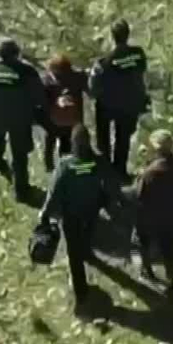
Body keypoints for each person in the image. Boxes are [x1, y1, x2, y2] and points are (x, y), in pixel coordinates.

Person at [39, 125, 125, 314]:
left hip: (71, 215)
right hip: (91, 211)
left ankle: (81, 292)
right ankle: (87, 251)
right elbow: (112, 185)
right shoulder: (98, 163)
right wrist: (116, 202)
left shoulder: (65, 166)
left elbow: (54, 193)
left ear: (73, 143)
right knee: (87, 235)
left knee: (73, 256)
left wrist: (45, 215)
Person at [0, 37, 46, 203]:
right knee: (19, 156)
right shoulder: (27, 71)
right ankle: (21, 192)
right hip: (19, 120)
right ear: (17, 53)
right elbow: (39, 97)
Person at [134, 130, 173, 296]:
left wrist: (140, 178)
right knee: (171, 250)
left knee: (142, 242)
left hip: (153, 219)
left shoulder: (150, 173)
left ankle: (147, 270)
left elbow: (140, 196)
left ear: (156, 150)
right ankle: (171, 282)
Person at [88, 19, 149, 178]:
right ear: (128, 35)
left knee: (103, 139)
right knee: (123, 139)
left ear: (112, 37)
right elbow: (141, 73)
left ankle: (106, 171)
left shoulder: (103, 62)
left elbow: (93, 88)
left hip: (108, 105)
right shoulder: (138, 54)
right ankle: (120, 171)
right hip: (130, 103)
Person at [40, 53, 88, 172]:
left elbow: (41, 100)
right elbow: (90, 89)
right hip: (73, 120)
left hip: (53, 121)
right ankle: (66, 170)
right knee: (66, 145)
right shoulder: (78, 77)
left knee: (49, 144)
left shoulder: (47, 80)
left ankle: (50, 168)